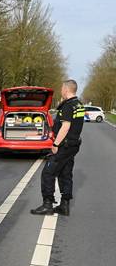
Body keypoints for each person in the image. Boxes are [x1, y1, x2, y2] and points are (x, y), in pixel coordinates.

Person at [30, 79, 85, 216]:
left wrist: (55, 144)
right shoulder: (79, 105)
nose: (61, 90)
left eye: (62, 88)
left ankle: (47, 204)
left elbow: (65, 127)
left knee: (48, 173)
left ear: (66, 89)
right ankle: (64, 205)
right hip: (73, 144)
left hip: (64, 145)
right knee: (65, 173)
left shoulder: (67, 105)